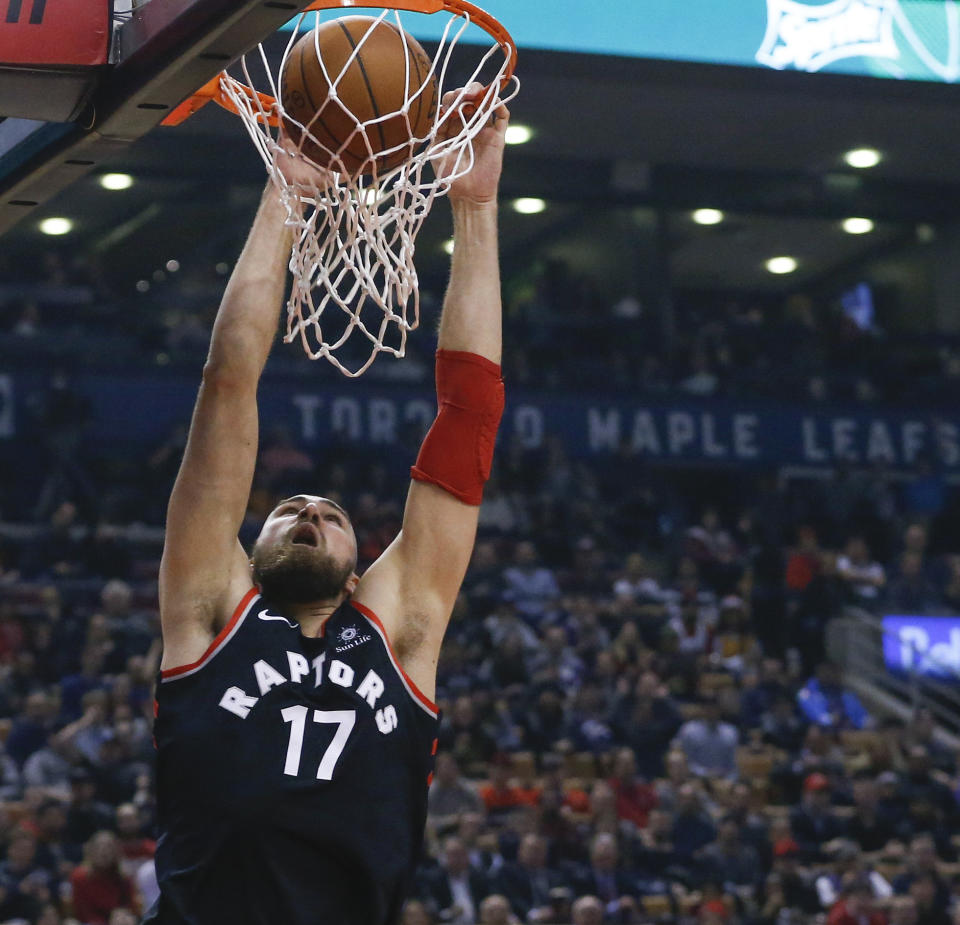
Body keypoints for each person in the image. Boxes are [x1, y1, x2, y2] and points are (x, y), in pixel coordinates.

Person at [145, 86, 511, 925]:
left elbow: (469, 418)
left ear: (358, 570)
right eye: (290, 510)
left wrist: (477, 210)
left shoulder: (404, 627)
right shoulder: (209, 611)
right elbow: (229, 378)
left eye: (330, 515)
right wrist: (287, 192)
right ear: (253, 543)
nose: (309, 513)